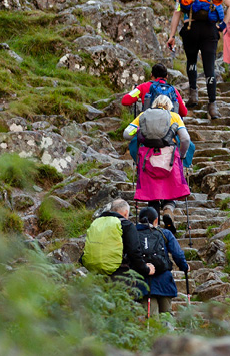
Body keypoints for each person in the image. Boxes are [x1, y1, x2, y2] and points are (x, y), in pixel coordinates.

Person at [167, 0, 230, 120]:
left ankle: (193, 94)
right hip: (210, 31)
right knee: (209, 67)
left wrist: (171, 35)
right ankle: (212, 105)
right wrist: (223, 25)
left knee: (191, 61)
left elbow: (177, 12)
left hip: (190, 29)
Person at [123, 94, 195, 235]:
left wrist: (139, 132)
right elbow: (185, 139)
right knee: (170, 190)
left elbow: (126, 134)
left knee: (152, 194)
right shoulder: (174, 116)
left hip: (147, 159)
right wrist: (182, 155)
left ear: (154, 104)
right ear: (169, 105)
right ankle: (168, 210)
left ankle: (153, 227)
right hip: (169, 159)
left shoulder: (143, 116)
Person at [81, 198, 155, 281]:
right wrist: (146, 269)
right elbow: (134, 252)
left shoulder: (97, 222)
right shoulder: (126, 225)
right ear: (126, 213)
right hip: (118, 274)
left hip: (94, 271)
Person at [135, 206, 190, 316]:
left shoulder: (132, 234)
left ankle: (154, 333)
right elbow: (177, 254)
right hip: (164, 280)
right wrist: (184, 266)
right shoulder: (164, 233)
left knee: (151, 317)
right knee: (166, 316)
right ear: (156, 220)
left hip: (143, 282)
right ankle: (168, 333)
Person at [121, 63, 188, 118]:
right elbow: (184, 113)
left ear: (151, 75)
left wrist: (133, 91)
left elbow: (125, 101)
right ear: (166, 76)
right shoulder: (173, 90)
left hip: (148, 127)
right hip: (168, 129)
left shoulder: (143, 87)